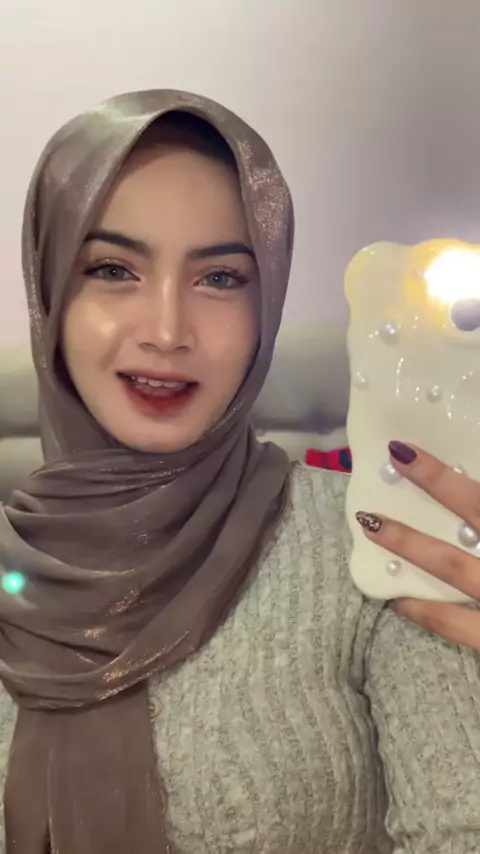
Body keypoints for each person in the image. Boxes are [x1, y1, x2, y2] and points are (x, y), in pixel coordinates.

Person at [0, 89, 478, 854]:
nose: (166, 331)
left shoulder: (378, 544)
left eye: (220, 278)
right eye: (113, 269)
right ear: (52, 291)